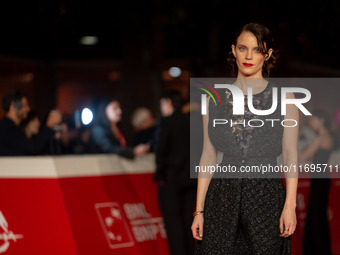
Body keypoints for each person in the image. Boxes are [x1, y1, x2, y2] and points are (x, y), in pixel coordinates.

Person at [191, 23, 298, 254]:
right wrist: (199, 211)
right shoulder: (213, 100)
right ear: (233, 50)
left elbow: (290, 154)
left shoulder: (285, 99)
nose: (249, 56)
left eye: (257, 50)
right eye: (242, 48)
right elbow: (208, 156)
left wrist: (290, 206)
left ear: (267, 55)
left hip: (266, 196)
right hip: (221, 197)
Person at [155, 90, 197, 255]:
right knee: (188, 221)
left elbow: (160, 150)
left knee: (174, 224)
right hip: (191, 179)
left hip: (172, 179)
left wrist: (160, 175)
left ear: (167, 102)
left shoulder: (167, 122)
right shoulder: (191, 122)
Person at [299, 109, 333, 255]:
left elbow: (304, 156)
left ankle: (318, 250)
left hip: (320, 179)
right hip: (321, 178)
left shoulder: (321, 137)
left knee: (317, 215)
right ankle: (319, 248)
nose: (311, 122)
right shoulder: (324, 135)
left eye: (313, 120)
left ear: (321, 120)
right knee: (317, 214)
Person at [0, 90, 62, 155]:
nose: (28, 109)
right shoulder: (7, 128)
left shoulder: (9, 126)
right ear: (14, 105)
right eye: (25, 105)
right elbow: (32, 148)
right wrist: (49, 125)